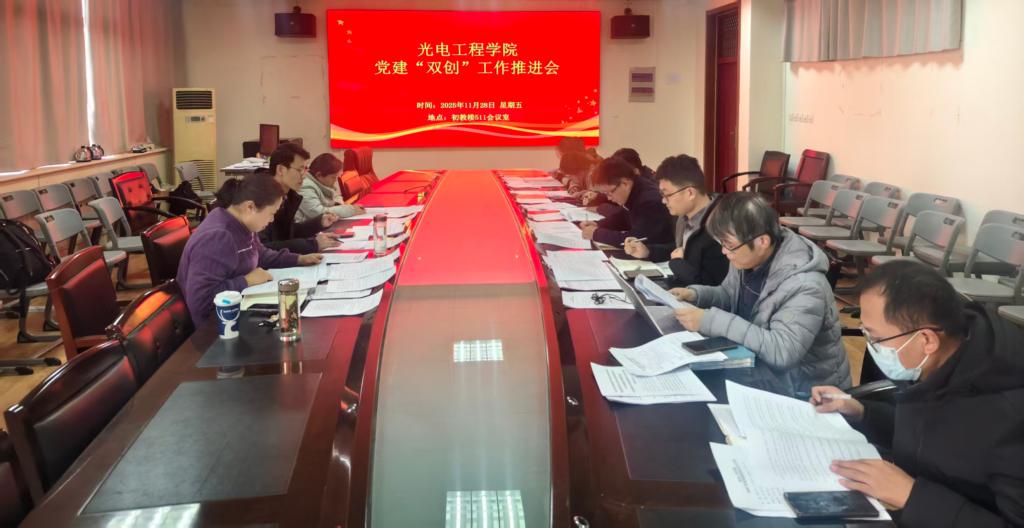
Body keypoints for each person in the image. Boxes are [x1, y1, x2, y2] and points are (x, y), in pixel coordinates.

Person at [811, 260, 1024, 526]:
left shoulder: (1010, 418)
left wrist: (911, 496)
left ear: (926, 340)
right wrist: (861, 411)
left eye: (875, 337)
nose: (871, 345)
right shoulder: (936, 363)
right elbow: (929, 435)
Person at [670, 192, 850, 393]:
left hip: (806, 391)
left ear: (762, 241)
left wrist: (710, 321)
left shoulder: (805, 284)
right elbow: (729, 295)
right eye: (722, 244)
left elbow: (782, 352)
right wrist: (695, 295)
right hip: (758, 370)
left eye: (729, 245)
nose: (724, 252)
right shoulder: (748, 257)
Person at [177, 173, 322, 323]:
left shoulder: (243, 224)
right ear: (250, 207)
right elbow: (202, 300)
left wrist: (298, 259)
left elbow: (260, 254)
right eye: (271, 213)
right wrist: (246, 281)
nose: (272, 219)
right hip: (217, 325)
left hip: (238, 309)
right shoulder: (217, 238)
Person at [623, 154, 728, 287]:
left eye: (667, 195)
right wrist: (648, 251)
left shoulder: (720, 228)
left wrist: (677, 264)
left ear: (690, 193)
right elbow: (681, 250)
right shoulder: (684, 217)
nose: (663, 201)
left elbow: (712, 287)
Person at [259, 143, 339, 254]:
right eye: (300, 170)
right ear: (280, 170)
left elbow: (288, 234)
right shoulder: (260, 197)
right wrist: (312, 244)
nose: (304, 176)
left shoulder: (288, 195)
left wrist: (318, 223)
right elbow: (263, 248)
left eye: (305, 169)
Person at [579, 157, 674, 246]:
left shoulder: (649, 201)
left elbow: (637, 240)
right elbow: (623, 218)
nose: (608, 198)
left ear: (625, 183)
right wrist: (599, 224)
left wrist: (597, 234)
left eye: (609, 193)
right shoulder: (634, 189)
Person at [295, 153, 365, 222]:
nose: (335, 180)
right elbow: (317, 213)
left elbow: (336, 197)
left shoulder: (322, 182)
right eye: (333, 177)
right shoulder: (305, 186)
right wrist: (351, 210)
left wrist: (340, 205)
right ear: (319, 175)